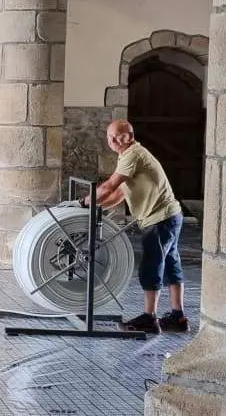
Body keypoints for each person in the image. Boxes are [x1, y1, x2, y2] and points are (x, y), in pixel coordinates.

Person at [82, 119, 187, 334]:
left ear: (129, 135)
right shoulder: (129, 156)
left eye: (118, 135)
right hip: (170, 216)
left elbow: (110, 185)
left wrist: (86, 201)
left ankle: (150, 318)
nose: (112, 140)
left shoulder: (133, 155)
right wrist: (97, 206)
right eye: (110, 136)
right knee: (170, 264)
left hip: (159, 219)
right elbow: (120, 193)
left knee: (151, 266)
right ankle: (178, 317)